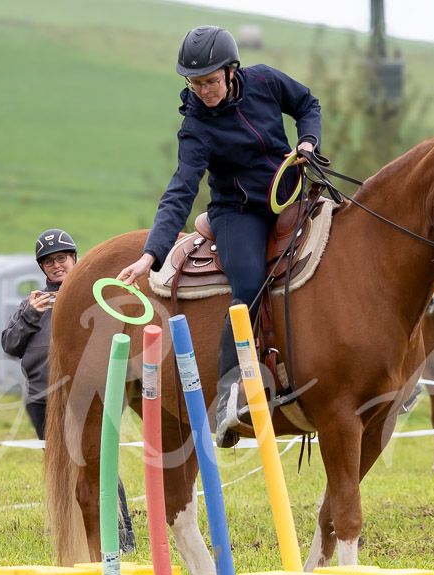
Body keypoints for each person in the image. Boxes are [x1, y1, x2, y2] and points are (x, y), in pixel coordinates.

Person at [117, 25, 322, 448]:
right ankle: (231, 393)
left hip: (291, 195)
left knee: (341, 247)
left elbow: (306, 103)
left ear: (232, 71)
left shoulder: (265, 80)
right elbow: (181, 188)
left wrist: (307, 141)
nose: (204, 90)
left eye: (210, 81)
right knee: (247, 285)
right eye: (195, 83)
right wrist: (150, 255)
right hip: (238, 212)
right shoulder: (195, 127)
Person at [3, 228, 135, 551]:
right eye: (48, 262)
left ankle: (121, 533)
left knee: (96, 460)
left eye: (61, 258)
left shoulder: (96, 296)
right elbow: (10, 344)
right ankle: (68, 529)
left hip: (84, 395)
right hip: (41, 397)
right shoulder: (33, 304)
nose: (56, 265)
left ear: (74, 258)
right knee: (61, 465)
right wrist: (29, 316)